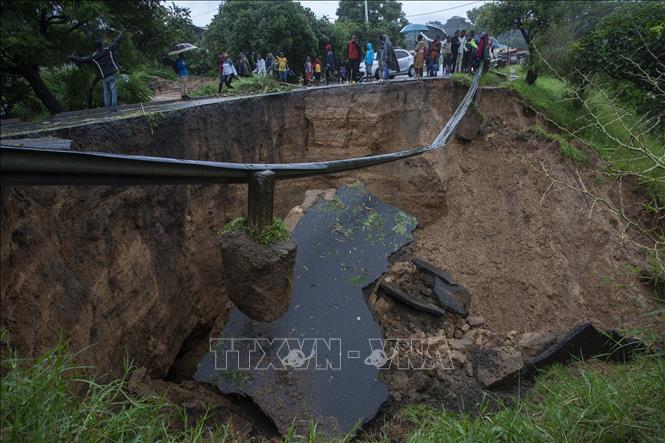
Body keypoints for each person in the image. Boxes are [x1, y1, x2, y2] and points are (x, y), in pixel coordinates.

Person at [70, 31, 124, 112]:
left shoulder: (93, 56)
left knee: (106, 92)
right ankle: (114, 108)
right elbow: (116, 42)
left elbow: (82, 59)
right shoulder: (108, 50)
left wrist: (72, 57)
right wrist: (121, 34)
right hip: (112, 74)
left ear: (96, 47)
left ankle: (107, 109)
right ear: (102, 45)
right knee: (113, 91)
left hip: (104, 76)